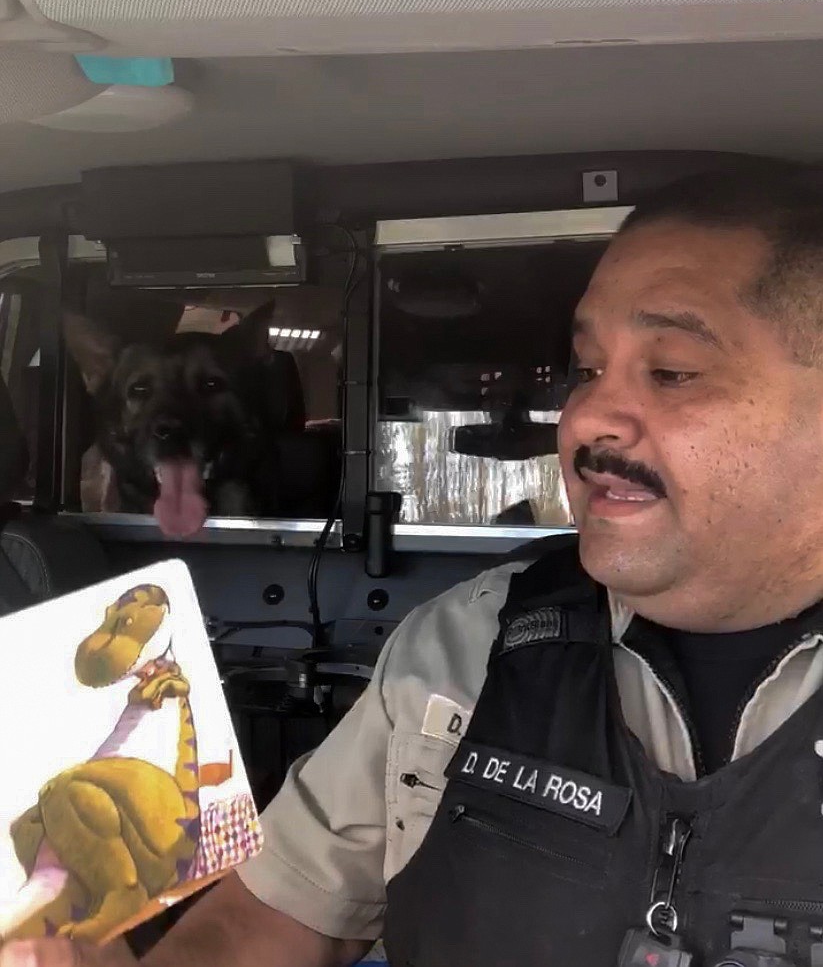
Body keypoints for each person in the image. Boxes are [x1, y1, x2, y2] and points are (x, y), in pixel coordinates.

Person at [7, 164, 823, 965]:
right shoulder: (466, 643)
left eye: (671, 371)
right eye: (585, 370)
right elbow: (276, 916)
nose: (584, 419)